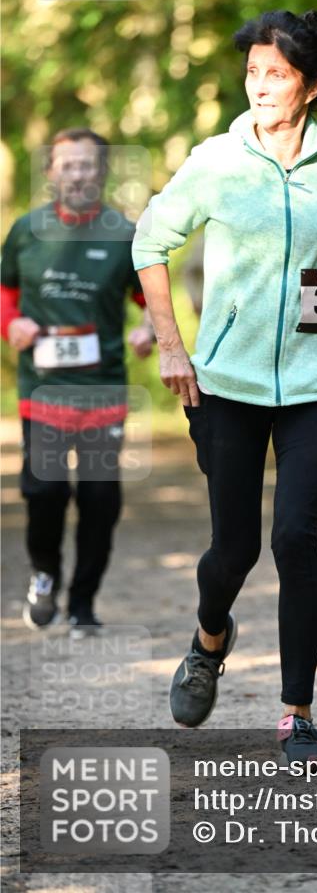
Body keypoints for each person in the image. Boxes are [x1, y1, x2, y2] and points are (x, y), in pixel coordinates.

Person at [132, 8, 317, 764]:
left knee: (295, 537)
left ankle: (297, 716)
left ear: (312, 86)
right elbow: (150, 242)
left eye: (276, 74)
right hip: (226, 383)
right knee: (234, 550)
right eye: (253, 71)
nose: (259, 86)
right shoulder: (217, 161)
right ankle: (209, 640)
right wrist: (172, 347)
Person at [0, 128, 155, 638]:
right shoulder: (26, 231)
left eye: (87, 165)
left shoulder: (124, 235)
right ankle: (44, 574)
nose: (77, 174)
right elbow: (5, 292)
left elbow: (149, 299)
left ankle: (83, 603)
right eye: (67, 165)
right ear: (51, 172)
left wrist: (148, 329)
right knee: (44, 492)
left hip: (102, 391)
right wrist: (11, 324)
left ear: (102, 171)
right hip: (42, 392)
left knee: (99, 501)